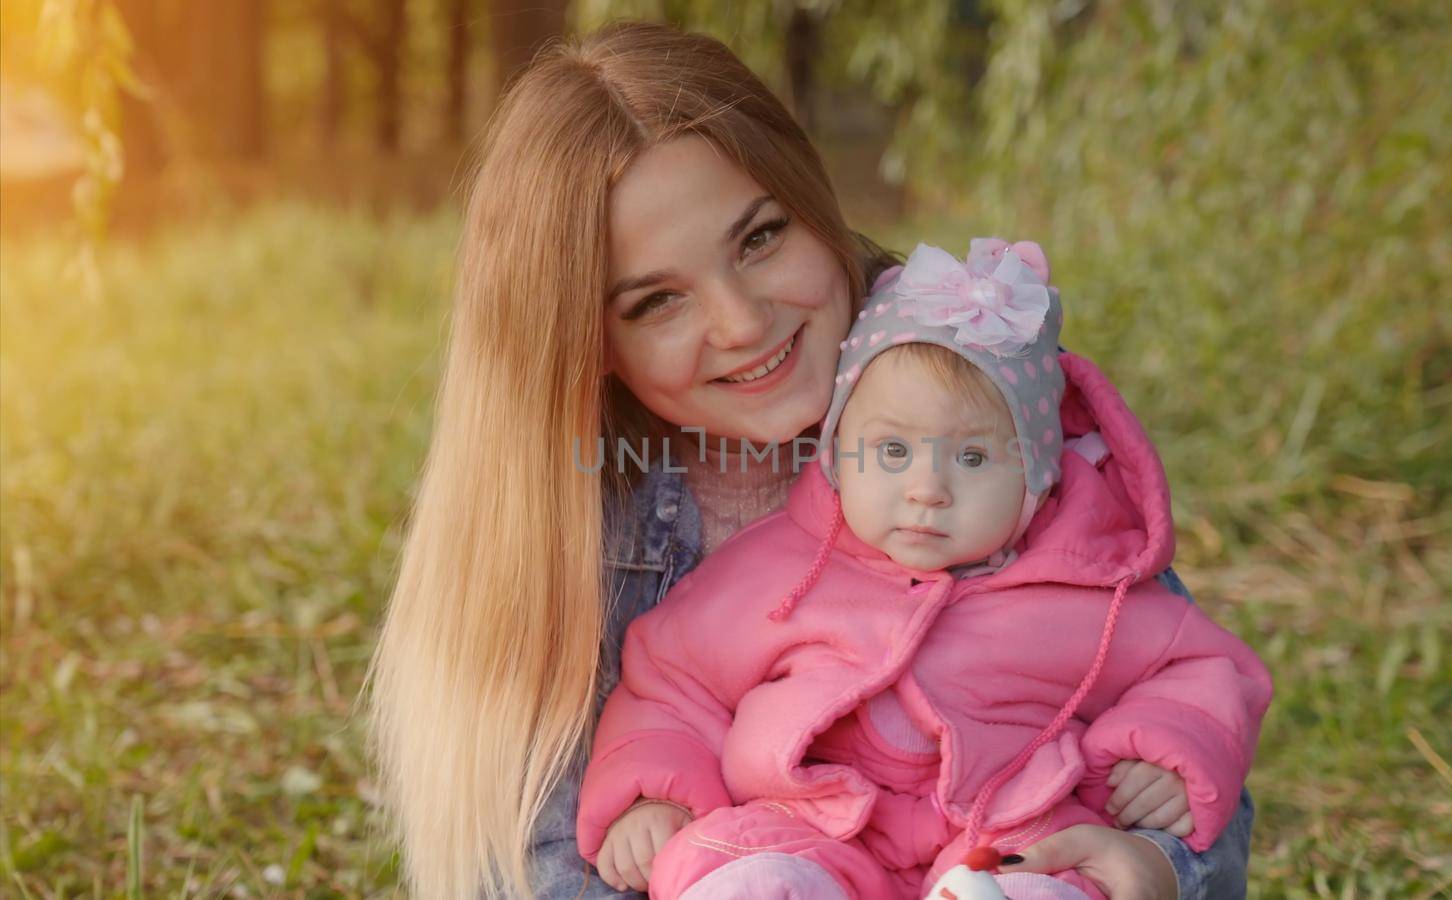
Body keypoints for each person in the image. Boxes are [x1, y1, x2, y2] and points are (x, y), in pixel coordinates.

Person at [364, 21, 1260, 900]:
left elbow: (1191, 765)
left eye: (759, 239)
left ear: (816, 207)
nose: (744, 322)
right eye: (656, 301)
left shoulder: (976, 392)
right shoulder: (570, 525)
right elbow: (539, 862)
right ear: (588, 343)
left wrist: (1151, 865)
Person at [575, 239, 1273, 899]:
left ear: (1038, 477)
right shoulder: (775, 569)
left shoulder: (1089, 589)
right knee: (746, 877)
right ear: (839, 450)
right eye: (891, 452)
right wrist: (654, 791)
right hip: (809, 829)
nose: (927, 489)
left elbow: (1202, 668)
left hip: (1006, 833)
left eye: (972, 458)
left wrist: (1170, 747)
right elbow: (669, 681)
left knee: (1044, 882)